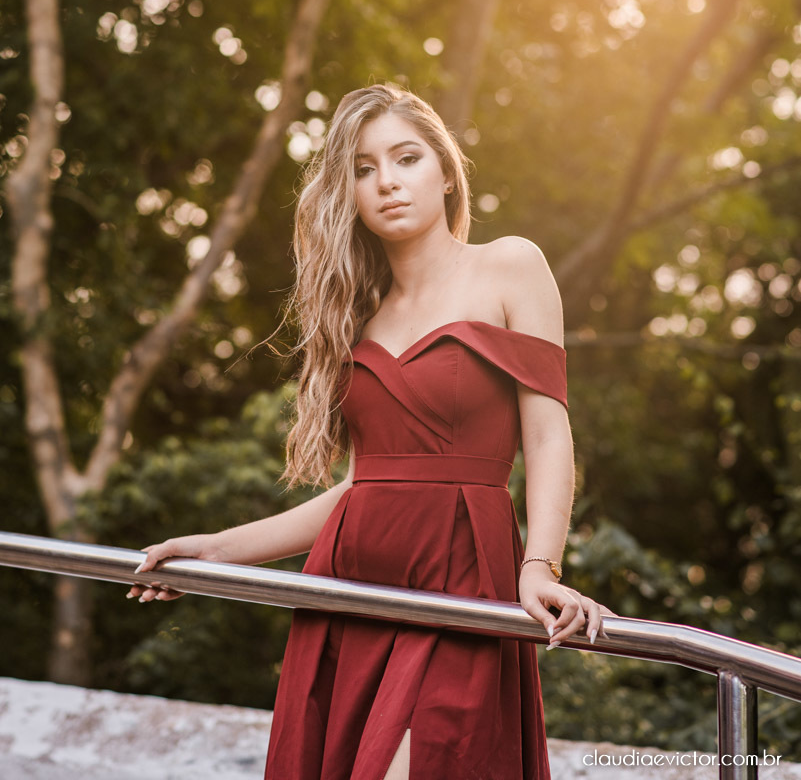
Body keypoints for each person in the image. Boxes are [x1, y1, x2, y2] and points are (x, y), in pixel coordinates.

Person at [128, 81, 616, 779]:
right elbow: (364, 487)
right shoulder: (355, 314)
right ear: (349, 192)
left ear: (446, 173)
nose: (387, 181)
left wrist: (539, 566)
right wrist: (216, 549)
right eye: (364, 168)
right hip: (350, 588)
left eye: (407, 158)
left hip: (461, 578)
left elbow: (546, 436)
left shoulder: (510, 265)